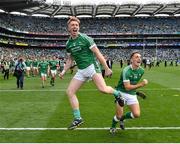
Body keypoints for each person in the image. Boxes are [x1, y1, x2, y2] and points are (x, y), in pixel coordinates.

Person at [59, 16, 123, 130]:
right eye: (72, 25)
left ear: (79, 27)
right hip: (81, 70)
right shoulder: (68, 44)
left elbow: (98, 54)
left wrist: (106, 68)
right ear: (68, 28)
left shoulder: (85, 38)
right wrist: (64, 71)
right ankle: (78, 118)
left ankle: (117, 93)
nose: (75, 27)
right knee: (70, 92)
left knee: (103, 89)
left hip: (92, 67)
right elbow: (70, 60)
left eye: (76, 25)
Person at [109, 51, 148, 134]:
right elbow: (127, 87)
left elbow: (133, 84)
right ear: (131, 60)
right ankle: (112, 127)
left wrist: (135, 91)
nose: (139, 58)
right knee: (118, 115)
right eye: (136, 57)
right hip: (121, 93)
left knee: (136, 114)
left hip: (132, 93)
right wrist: (141, 84)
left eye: (140, 57)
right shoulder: (126, 70)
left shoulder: (142, 70)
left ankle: (123, 118)